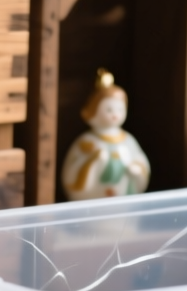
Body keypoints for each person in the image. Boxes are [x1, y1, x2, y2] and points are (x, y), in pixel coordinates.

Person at [61, 69, 150, 201]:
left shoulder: (128, 140)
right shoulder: (85, 142)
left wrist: (137, 170)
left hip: (124, 205)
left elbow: (141, 162)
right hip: (91, 206)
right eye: (108, 109)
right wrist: (93, 161)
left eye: (120, 109)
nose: (115, 114)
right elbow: (70, 176)